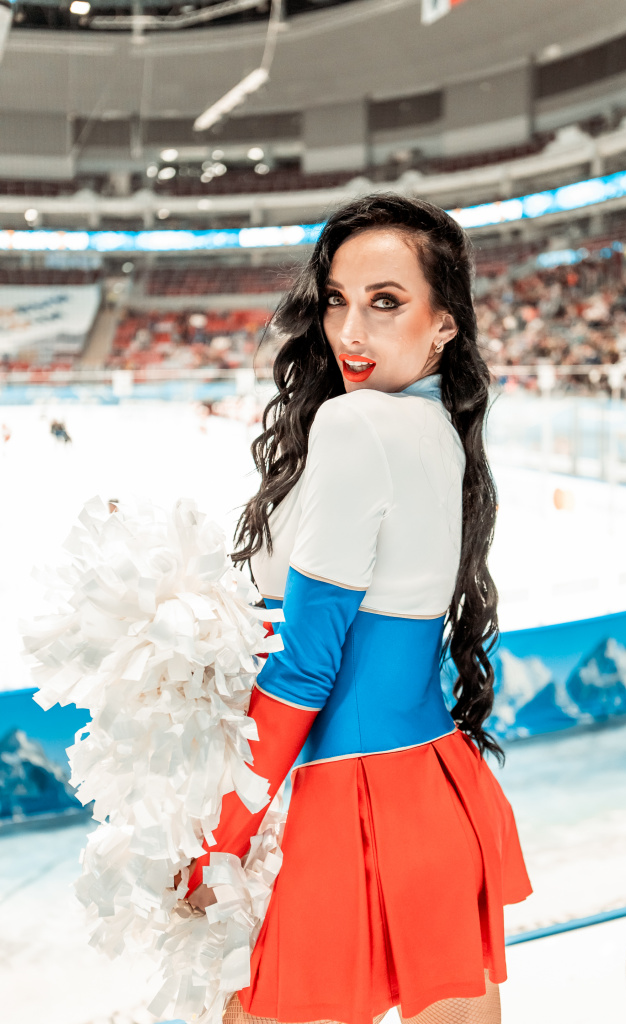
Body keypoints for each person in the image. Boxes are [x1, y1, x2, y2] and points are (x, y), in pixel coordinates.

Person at [183, 194, 532, 1024]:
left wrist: (215, 844)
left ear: (443, 324)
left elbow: (305, 670)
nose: (349, 332)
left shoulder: (355, 424)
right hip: (437, 797)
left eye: (385, 302)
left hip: (345, 814)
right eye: (337, 300)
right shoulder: (440, 431)